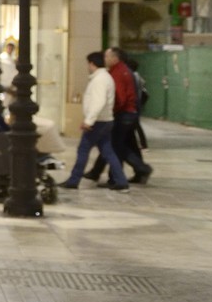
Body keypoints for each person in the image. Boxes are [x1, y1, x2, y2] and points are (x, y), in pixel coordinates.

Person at [60, 52, 129, 192]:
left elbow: (99, 101)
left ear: (92, 64)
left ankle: (74, 180)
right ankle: (121, 181)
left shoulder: (99, 80)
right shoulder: (104, 78)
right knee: (108, 151)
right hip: (105, 120)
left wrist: (89, 121)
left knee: (83, 149)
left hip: (98, 122)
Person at [88, 46, 152, 185]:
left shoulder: (118, 73)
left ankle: (130, 173)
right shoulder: (122, 71)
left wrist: (111, 112)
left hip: (123, 115)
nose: (104, 59)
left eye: (106, 56)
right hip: (129, 114)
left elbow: (120, 98)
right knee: (126, 144)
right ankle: (138, 172)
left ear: (114, 58)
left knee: (114, 145)